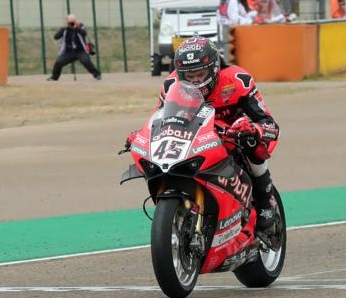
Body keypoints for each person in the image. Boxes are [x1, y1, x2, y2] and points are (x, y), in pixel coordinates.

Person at [126, 37, 281, 237]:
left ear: (215, 68)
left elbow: (268, 122)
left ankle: (265, 200)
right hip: (197, 137)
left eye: (200, 74)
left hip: (235, 134)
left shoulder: (237, 79)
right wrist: (140, 135)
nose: (196, 81)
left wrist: (255, 129)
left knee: (254, 144)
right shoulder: (171, 84)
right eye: (190, 76)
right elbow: (159, 119)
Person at [47, 14, 102, 81]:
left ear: (76, 20)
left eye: (73, 21)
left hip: (80, 51)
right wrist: (64, 28)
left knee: (86, 61)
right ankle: (54, 77)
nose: (72, 23)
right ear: (67, 21)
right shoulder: (64, 28)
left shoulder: (80, 26)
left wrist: (76, 28)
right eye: (70, 22)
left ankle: (97, 75)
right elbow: (56, 37)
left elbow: (84, 33)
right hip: (68, 52)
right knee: (59, 62)